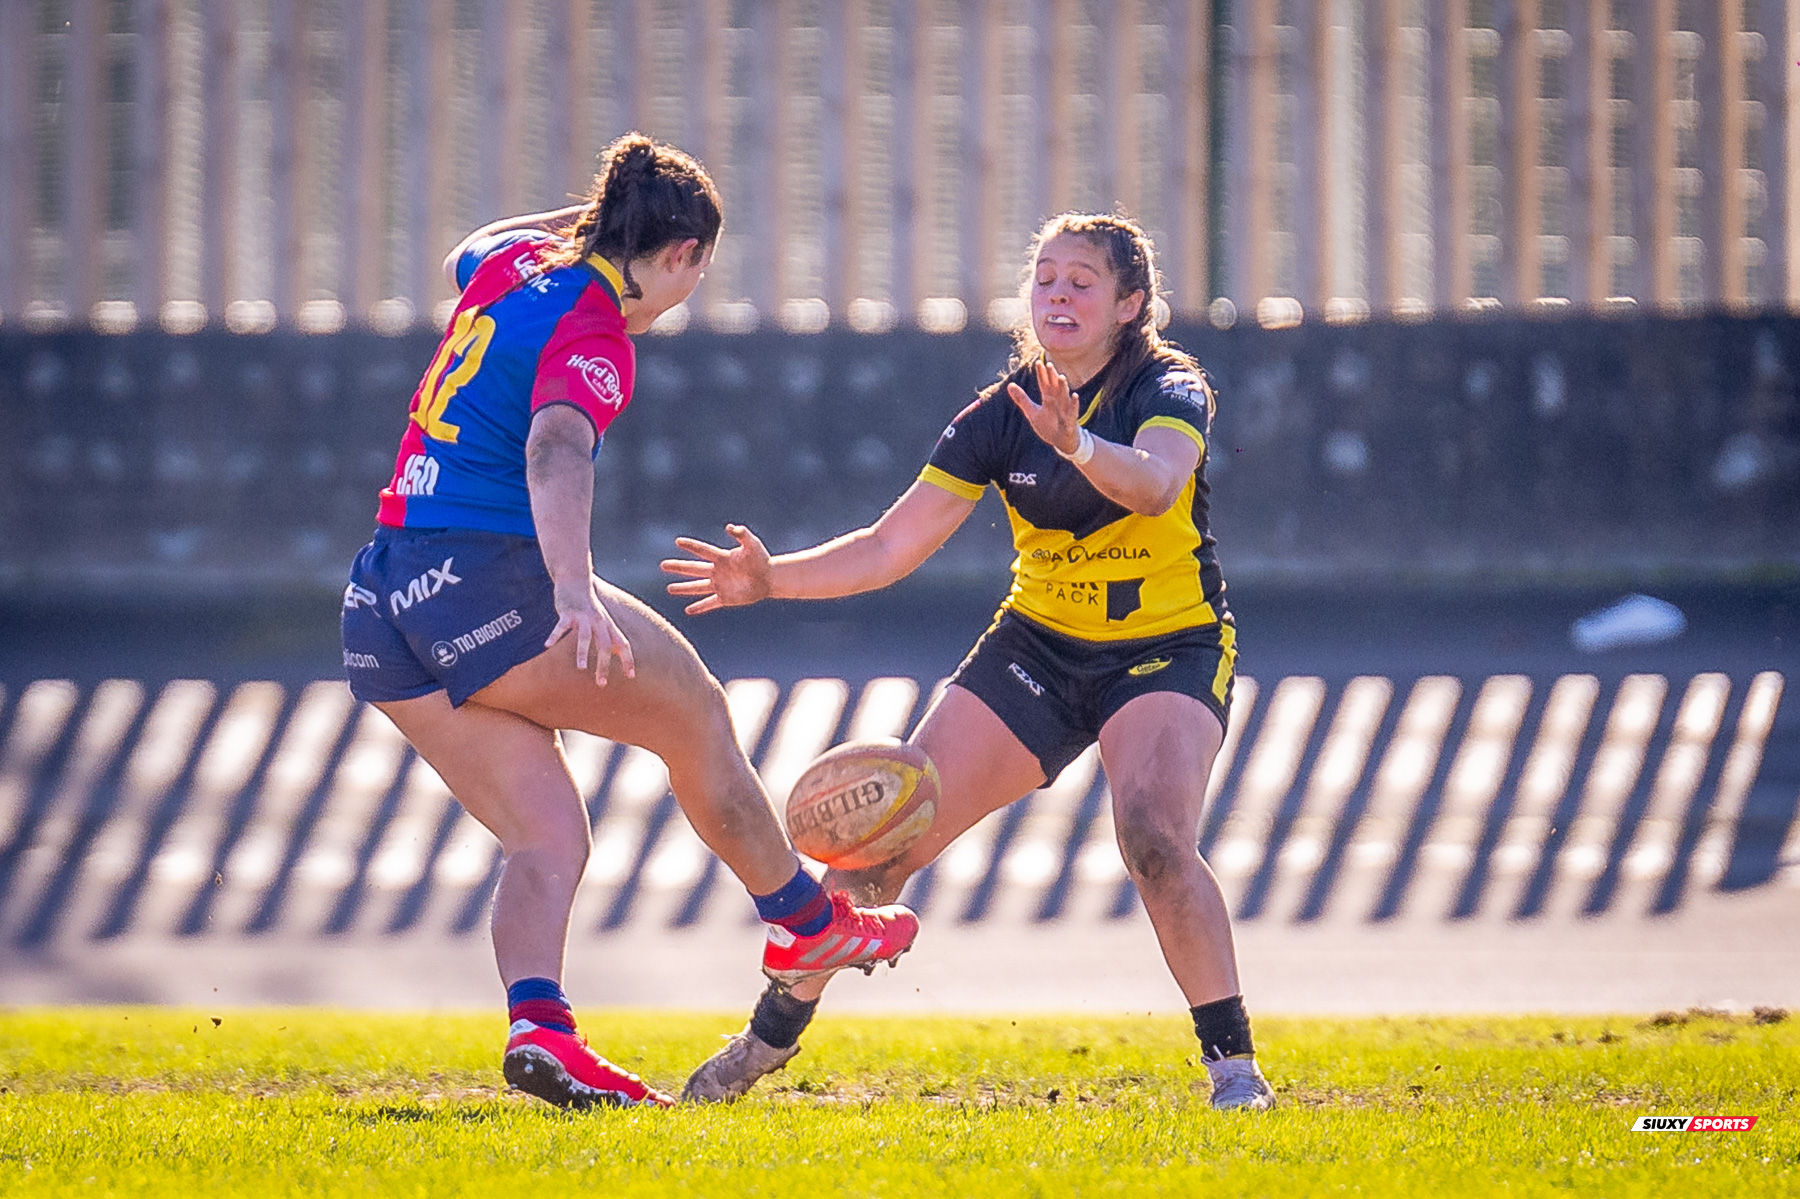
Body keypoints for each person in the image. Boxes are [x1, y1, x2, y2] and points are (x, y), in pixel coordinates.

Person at [340, 133, 918, 1110]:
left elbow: (465, 250)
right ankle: (803, 920)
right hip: (487, 579)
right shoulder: (595, 322)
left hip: (380, 598)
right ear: (685, 255)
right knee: (690, 708)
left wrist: (587, 226)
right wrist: (570, 589)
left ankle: (542, 1032)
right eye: (700, 266)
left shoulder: (524, 262)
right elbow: (558, 446)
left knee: (548, 832)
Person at [664, 212, 1276, 1111]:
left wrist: (1075, 443)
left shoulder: (1168, 384)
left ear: (1128, 304)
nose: (1058, 295)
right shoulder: (1000, 414)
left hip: (1166, 645)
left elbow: (1153, 486)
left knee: (1153, 839)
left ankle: (1234, 1069)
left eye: (1082, 281)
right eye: (1046, 279)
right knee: (877, 847)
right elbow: (886, 546)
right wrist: (771, 580)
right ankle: (766, 1039)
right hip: (1038, 643)